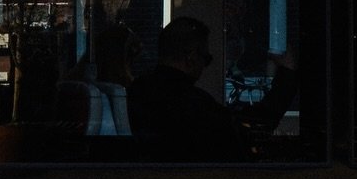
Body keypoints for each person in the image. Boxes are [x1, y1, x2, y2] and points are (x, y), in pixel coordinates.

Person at [127, 14, 297, 160]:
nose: (204, 67)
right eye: (206, 59)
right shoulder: (193, 104)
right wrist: (287, 75)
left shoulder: (135, 91)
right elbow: (250, 129)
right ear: (191, 58)